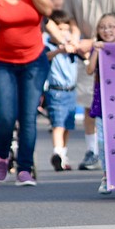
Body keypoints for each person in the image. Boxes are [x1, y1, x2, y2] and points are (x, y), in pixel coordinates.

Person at [0, 0, 53, 187]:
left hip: (34, 61)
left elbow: (47, 10)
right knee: (5, 115)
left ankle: (25, 168)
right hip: (3, 61)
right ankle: (2, 155)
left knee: (28, 117)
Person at [65, 0, 115, 170]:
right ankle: (92, 150)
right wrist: (73, 36)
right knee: (90, 102)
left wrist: (94, 41)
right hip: (87, 52)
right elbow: (71, 17)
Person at [89, 12, 115, 198]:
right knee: (103, 142)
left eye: (111, 27)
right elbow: (90, 70)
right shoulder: (98, 48)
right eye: (102, 27)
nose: (106, 30)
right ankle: (107, 176)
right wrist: (97, 51)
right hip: (102, 103)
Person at [44, 9, 81, 172]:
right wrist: (60, 49)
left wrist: (74, 44)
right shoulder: (47, 45)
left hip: (71, 90)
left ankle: (63, 155)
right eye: (60, 29)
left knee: (67, 125)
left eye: (66, 29)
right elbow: (46, 57)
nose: (64, 33)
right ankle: (57, 152)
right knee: (58, 124)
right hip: (56, 90)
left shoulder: (73, 47)